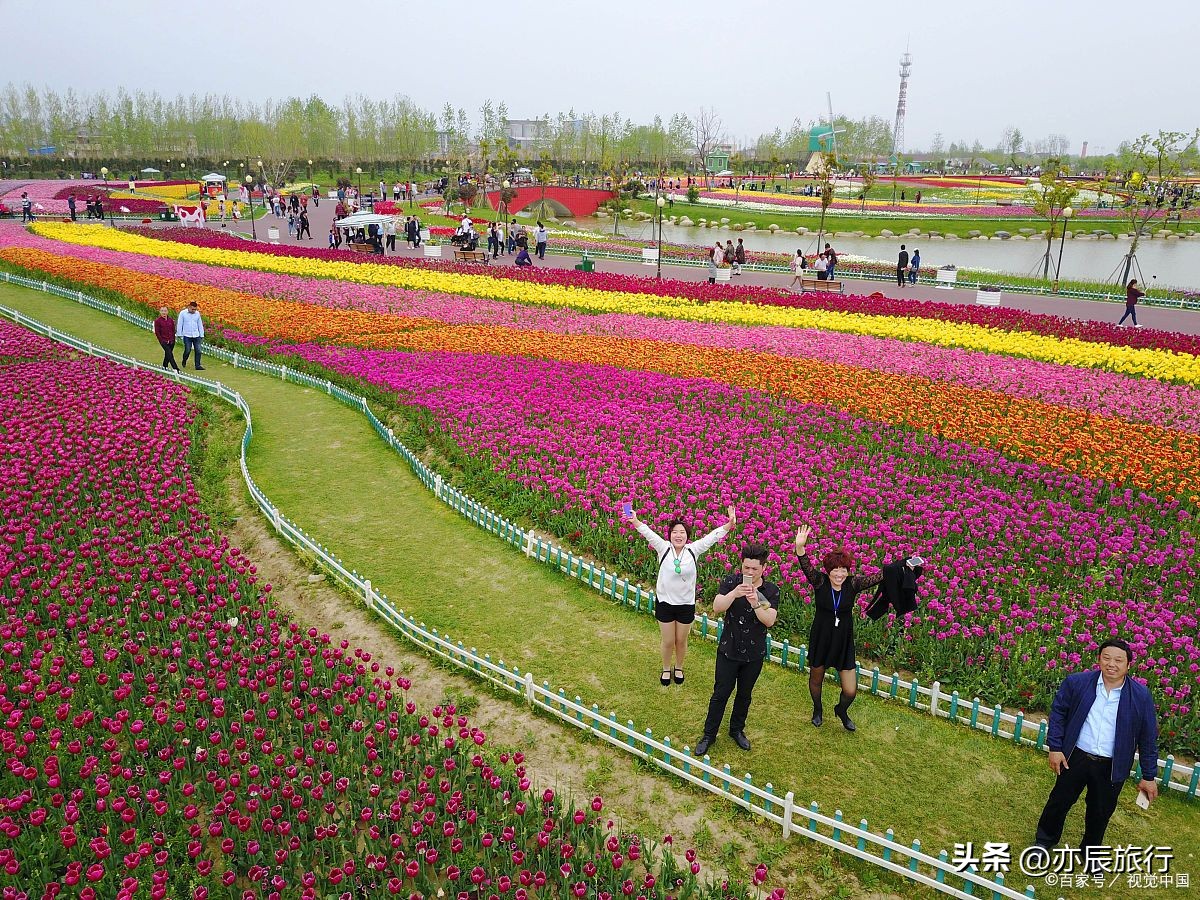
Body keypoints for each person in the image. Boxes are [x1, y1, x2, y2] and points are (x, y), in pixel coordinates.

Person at [1033, 639, 1159, 855]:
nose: (1112, 664)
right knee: (1059, 801)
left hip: (1111, 765)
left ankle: (1090, 852)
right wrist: (1055, 747)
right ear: (1099, 659)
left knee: (1100, 811)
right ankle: (1043, 842)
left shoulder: (1140, 696)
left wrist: (1149, 775)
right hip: (1075, 757)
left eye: (1119, 660)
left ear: (1129, 664)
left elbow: (1148, 737)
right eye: (1107, 658)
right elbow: (1058, 714)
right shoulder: (1077, 683)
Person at [629, 506, 736, 686]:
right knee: (668, 640)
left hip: (686, 605)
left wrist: (729, 524)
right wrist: (636, 521)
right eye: (675, 532)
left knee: (681, 640)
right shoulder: (663, 549)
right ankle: (665, 668)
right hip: (665, 604)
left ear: (687, 536)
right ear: (670, 535)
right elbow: (648, 533)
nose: (678, 536)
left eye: (682, 533)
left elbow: (712, 538)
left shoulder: (693, 550)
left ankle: (678, 666)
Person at [794, 524, 884, 731]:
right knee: (816, 679)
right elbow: (805, 565)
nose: (839, 574)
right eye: (835, 570)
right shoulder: (819, 582)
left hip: (843, 640)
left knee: (850, 690)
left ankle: (841, 710)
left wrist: (903, 566)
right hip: (822, 637)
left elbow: (879, 576)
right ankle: (817, 710)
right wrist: (800, 548)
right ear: (829, 571)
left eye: (843, 570)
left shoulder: (853, 585)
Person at [693, 544, 780, 755]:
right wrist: (734, 593)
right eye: (746, 568)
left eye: (754, 569)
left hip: (753, 654)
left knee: (744, 695)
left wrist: (756, 602)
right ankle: (709, 734)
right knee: (720, 693)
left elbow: (769, 621)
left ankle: (737, 730)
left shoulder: (770, 591)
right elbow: (717, 607)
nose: (749, 572)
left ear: (764, 568)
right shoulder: (731, 582)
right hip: (728, 649)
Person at [176, 301, 205, 371]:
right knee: (187, 350)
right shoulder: (183, 313)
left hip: (196, 335)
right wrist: (179, 334)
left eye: (195, 309)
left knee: (198, 351)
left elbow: (199, 324)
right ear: (189, 307)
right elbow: (180, 324)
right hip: (187, 335)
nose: (194, 311)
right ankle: (184, 360)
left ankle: (197, 365)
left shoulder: (197, 314)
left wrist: (201, 334)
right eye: (192, 309)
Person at [153, 307, 180, 372]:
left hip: (171, 341)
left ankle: (164, 366)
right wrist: (161, 341)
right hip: (164, 341)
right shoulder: (157, 321)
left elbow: (173, 330)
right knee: (170, 355)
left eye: (165, 311)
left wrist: (173, 339)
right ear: (160, 312)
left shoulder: (170, 320)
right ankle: (176, 369)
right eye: (162, 311)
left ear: (167, 312)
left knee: (167, 354)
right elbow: (157, 332)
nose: (163, 312)